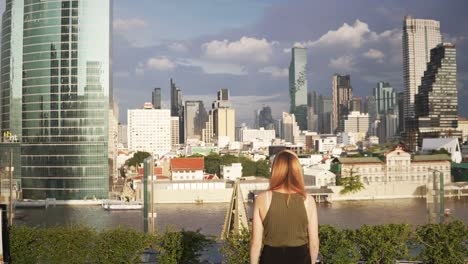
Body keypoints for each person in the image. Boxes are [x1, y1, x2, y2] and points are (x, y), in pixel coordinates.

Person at [250, 150, 319, 264]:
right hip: (300, 258)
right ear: (297, 171)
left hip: (270, 258)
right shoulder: (308, 200)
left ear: (275, 169)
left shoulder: (262, 199)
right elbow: (314, 242)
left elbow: (255, 243)